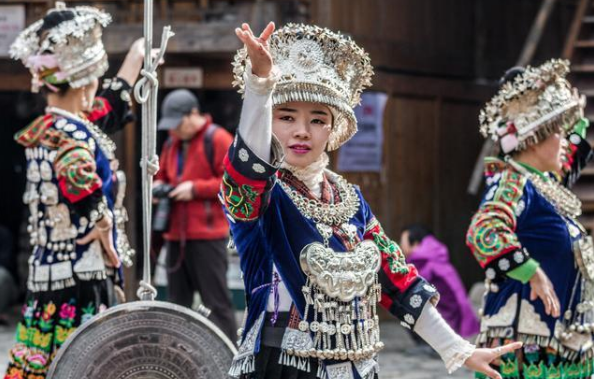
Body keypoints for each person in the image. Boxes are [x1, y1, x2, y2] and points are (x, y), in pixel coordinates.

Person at [222, 21, 521, 379]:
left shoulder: (350, 200)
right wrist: (260, 86)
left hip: (357, 368)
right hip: (282, 366)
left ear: (332, 130)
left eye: (318, 120)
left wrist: (456, 347)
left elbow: (396, 278)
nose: (302, 130)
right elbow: (248, 169)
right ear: (269, 122)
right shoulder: (264, 197)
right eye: (286, 117)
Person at [3, 2, 144, 377]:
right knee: (86, 362)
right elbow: (77, 174)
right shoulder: (72, 135)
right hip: (83, 275)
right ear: (86, 80)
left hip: (50, 268)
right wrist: (103, 228)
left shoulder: (51, 125)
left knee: (45, 357)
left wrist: (135, 59)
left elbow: (108, 109)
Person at [466, 59, 594, 378]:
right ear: (535, 137)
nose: (565, 141)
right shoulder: (513, 182)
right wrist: (531, 271)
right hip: (526, 356)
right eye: (559, 132)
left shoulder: (544, 185)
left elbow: (567, 156)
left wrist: (576, 115)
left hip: (563, 348)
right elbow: (484, 231)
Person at [153, 89, 237, 340]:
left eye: (178, 124)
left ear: (193, 114)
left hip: (207, 235)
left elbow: (232, 183)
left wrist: (195, 189)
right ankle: (179, 356)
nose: (174, 130)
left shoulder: (219, 138)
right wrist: (158, 186)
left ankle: (228, 355)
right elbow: (164, 175)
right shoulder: (172, 141)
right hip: (175, 233)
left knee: (216, 301)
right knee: (177, 301)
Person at [400, 224, 480, 338]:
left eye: (402, 242)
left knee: (404, 302)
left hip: (446, 320)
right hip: (454, 315)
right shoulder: (436, 258)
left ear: (416, 244)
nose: (400, 246)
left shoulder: (423, 262)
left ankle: (427, 345)